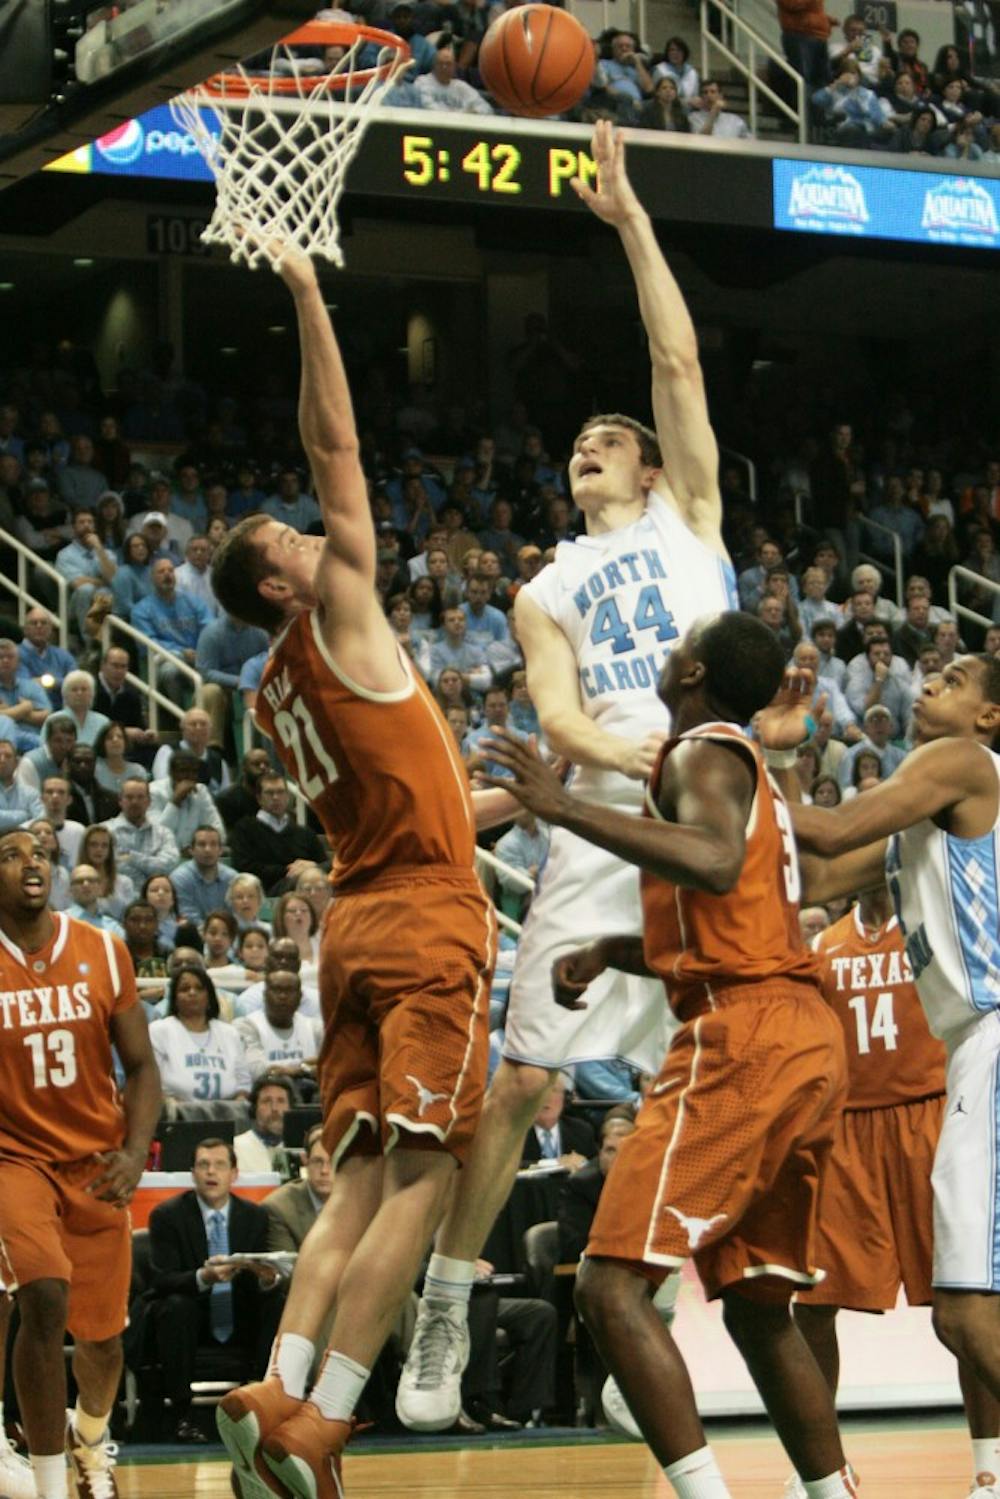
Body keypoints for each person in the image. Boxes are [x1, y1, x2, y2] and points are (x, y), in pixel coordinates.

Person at [399, 119, 740, 1434]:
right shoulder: (547, 584)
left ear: (652, 467)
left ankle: (723, 1273)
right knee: (528, 1077)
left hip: (715, 794)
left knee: (738, 1042)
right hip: (608, 808)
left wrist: (630, 222)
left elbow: (675, 354)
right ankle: (445, 1286)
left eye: (613, 440)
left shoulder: (692, 519)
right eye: (582, 444)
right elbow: (552, 715)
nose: (591, 448)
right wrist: (627, 747)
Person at [204, 230, 501, 1499]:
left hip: (361, 918)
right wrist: (310, 293)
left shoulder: (273, 692)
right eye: (294, 540)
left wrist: (518, 798)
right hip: (427, 922)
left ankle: (279, 1383)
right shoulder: (337, 614)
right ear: (281, 584)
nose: (318, 539)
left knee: (360, 1177)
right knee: (424, 1183)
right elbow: (339, 450)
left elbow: (413, 810)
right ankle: (325, 1419)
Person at [479, 612, 858, 1499]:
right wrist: (617, 948)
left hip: (745, 1036)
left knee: (609, 1287)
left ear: (689, 669)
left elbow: (717, 864)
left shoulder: (701, 752)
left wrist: (564, 804)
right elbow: (736, 913)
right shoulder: (750, 770)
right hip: (801, 1033)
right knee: (764, 1313)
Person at [786, 652, 1000, 1453]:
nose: (931, 680)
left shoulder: (958, 762)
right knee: (966, 1309)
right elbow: (807, 876)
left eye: (954, 677)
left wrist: (733, 757)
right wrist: (778, 757)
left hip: (988, 1038)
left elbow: (835, 827)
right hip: (969, 1049)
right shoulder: (924, 819)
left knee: (969, 1309)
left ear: (989, 717)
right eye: (931, 671)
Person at [796, 881, 1000, 1498]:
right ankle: (824, 1468)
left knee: (964, 1304)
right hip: (849, 1131)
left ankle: (989, 1465)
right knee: (811, 1305)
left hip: (930, 1119)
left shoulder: (931, 930)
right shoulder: (823, 947)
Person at [0, 827, 160, 1499]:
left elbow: (144, 1066)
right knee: (40, 1296)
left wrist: (133, 1151)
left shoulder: (103, 948)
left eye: (39, 851)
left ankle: (90, 1440)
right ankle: (44, 1483)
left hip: (96, 1164)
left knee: (102, 1344)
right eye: (10, 853)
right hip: (16, 1160)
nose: (30, 861)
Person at [147, 1137, 285, 1443]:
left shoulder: (256, 1216)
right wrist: (203, 1278)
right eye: (203, 1165)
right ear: (192, 1173)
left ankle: (264, 1405)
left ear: (234, 1174)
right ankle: (182, 1414)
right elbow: (161, 1280)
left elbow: (265, 1276)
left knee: (277, 1302)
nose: (212, 1172)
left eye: (220, 1165)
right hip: (192, 1317)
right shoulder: (167, 1216)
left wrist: (265, 1278)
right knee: (176, 1307)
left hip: (240, 1313)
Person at [148, 964, 251, 1106]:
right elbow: (150, 1083)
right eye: (184, 989)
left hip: (227, 1116)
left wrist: (236, 1104)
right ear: (174, 998)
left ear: (209, 996)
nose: (192, 992)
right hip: (176, 1117)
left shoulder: (229, 1033)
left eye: (199, 988)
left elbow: (244, 1084)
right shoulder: (158, 1031)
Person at [234, 968, 320, 1086]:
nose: (282, 996)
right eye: (276, 990)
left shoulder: (315, 1028)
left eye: (289, 991)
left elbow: (328, 1067)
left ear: (300, 997)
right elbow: (256, 1070)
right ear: (264, 995)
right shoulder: (246, 1025)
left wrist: (290, 1070)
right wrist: (303, 1068)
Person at [520, 1074, 596, 1166]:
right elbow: (511, 1167)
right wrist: (555, 1163)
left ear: (565, 1098)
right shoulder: (514, 1135)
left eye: (553, 1090)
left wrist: (583, 1163)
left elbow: (594, 1166)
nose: (546, 1099)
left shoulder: (582, 1131)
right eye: (540, 1091)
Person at [234, 1075, 296, 1172]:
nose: (274, 1108)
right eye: (267, 1101)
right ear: (254, 1109)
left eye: (281, 1101)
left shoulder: (301, 1150)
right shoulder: (236, 1148)